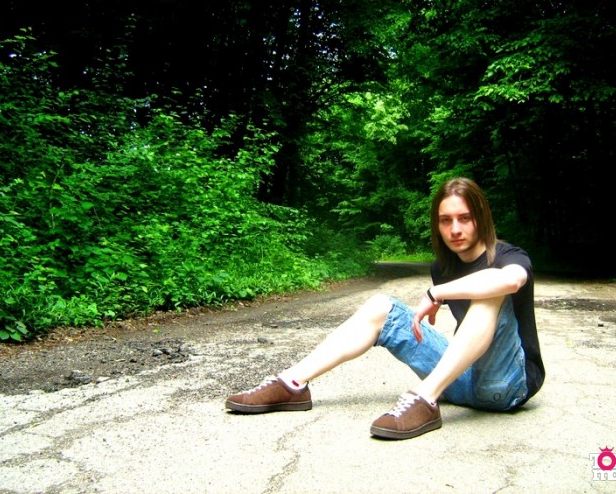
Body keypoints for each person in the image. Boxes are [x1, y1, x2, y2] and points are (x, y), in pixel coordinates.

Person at [225, 177, 545, 440]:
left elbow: (511, 280)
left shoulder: (508, 255)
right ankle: (292, 384)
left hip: (507, 386)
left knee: (491, 289)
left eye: (465, 218)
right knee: (382, 306)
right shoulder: (442, 267)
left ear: (481, 218)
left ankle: (424, 398)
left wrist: (436, 293)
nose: (455, 230)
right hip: (462, 383)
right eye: (445, 220)